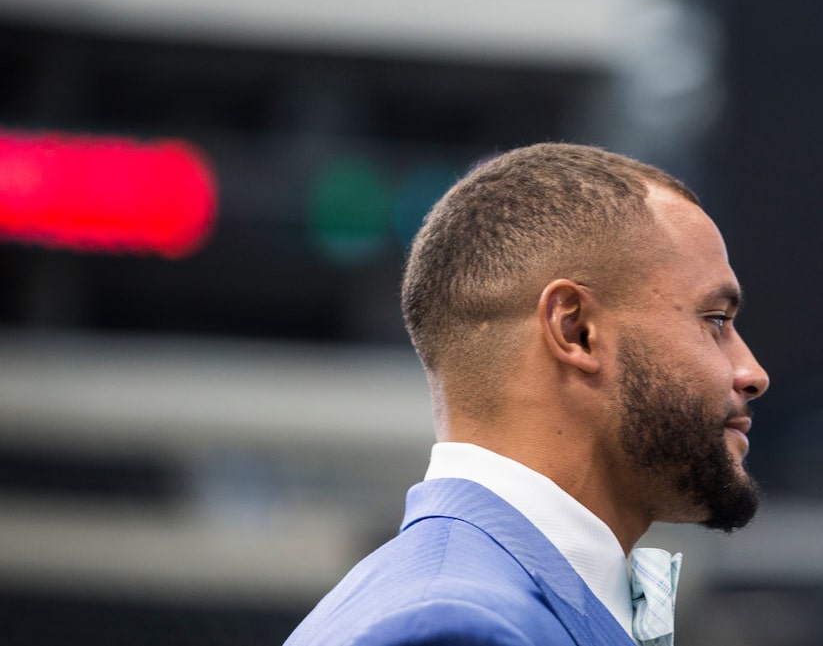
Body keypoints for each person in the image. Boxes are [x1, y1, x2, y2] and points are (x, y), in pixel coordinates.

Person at [285, 142, 770, 646]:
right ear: (576, 330)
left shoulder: (482, 600)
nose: (753, 373)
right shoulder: (455, 628)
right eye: (715, 320)